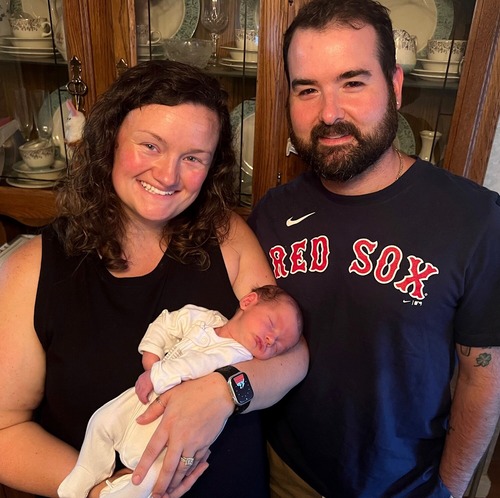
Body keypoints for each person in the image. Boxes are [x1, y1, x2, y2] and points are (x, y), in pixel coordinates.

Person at [0, 60, 308, 498]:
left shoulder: (228, 236)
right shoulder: (32, 269)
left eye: (193, 158)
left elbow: (292, 356)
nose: (168, 176)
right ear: (110, 142)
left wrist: (225, 391)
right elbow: (5, 428)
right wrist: (99, 492)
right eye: (150, 146)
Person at [248, 1, 500, 497]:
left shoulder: (476, 219)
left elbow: (483, 376)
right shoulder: (272, 213)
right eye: (307, 89)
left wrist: (448, 489)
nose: (330, 113)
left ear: (396, 87)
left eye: (353, 82)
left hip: (407, 484)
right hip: (285, 473)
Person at [58, 285, 303, 498]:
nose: (271, 339)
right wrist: (152, 353)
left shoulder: (240, 358)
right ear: (248, 302)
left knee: (154, 477)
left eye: (279, 345)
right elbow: (168, 322)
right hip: (148, 397)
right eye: (271, 325)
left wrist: (158, 374)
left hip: (179, 429)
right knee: (102, 420)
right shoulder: (203, 318)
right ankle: (86, 472)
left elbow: (198, 365)